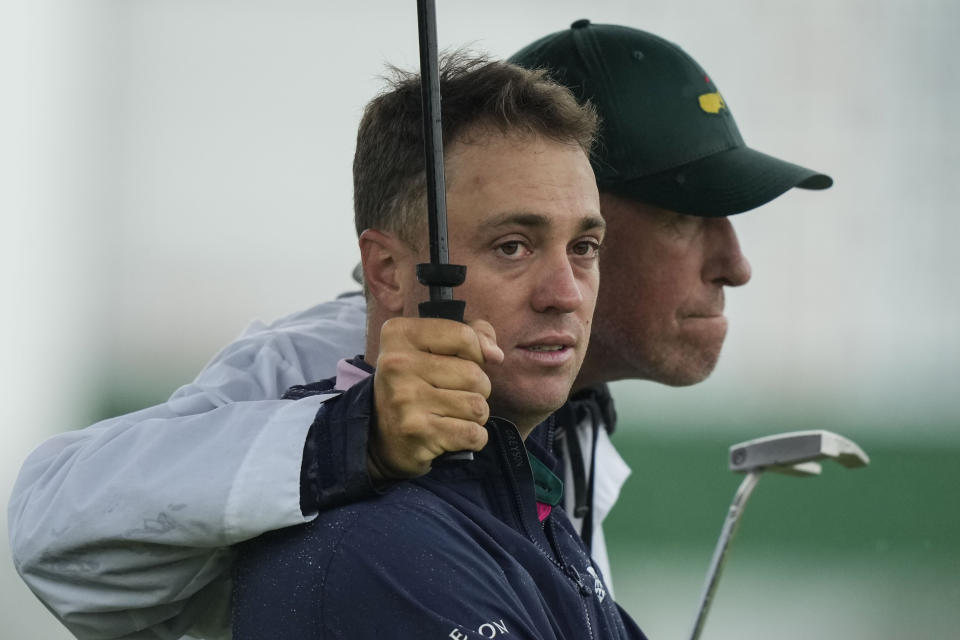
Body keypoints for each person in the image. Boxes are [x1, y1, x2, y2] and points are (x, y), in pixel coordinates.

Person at [7, 21, 831, 640]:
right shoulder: (339, 355)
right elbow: (51, 527)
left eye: (583, 246)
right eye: (691, 217)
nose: (734, 262)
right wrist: (352, 439)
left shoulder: (559, 418)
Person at [231, 55, 645, 639]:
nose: (564, 294)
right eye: (512, 247)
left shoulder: (517, 484)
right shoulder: (378, 547)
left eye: (584, 246)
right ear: (388, 273)